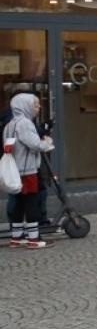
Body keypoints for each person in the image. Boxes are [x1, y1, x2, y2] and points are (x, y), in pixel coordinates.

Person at [4, 93, 54, 249]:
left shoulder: (10, 124)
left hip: (15, 170)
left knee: (18, 203)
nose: (38, 108)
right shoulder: (25, 123)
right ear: (24, 106)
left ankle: (16, 237)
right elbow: (35, 145)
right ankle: (34, 239)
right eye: (35, 105)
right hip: (27, 170)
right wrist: (47, 143)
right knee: (32, 202)